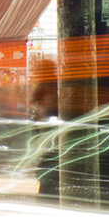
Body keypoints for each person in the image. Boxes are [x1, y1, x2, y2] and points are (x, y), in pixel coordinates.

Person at [27, 57, 61, 202]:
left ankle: (46, 199)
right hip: (48, 139)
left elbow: (41, 113)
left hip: (50, 138)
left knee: (49, 171)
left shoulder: (50, 88)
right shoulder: (48, 87)